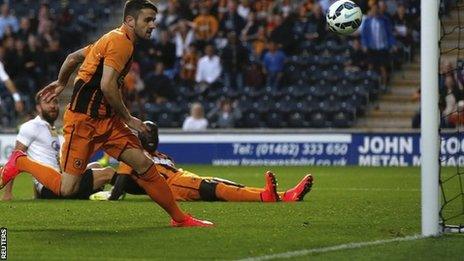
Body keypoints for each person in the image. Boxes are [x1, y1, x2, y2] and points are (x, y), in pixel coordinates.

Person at [0, 0, 212, 227]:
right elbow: (108, 85)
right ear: (130, 21)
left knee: (144, 164)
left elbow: (73, 57)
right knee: (67, 188)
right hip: (83, 121)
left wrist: (62, 83)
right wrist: (129, 119)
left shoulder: (111, 39)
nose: (153, 25)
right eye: (148, 19)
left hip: (106, 121)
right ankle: (21, 162)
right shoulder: (120, 43)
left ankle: (179, 219)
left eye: (154, 20)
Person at [90, 121, 314, 202]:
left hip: (183, 177)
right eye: (147, 133)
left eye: (154, 134)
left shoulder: (163, 157)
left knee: (220, 183)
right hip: (174, 185)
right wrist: (111, 196)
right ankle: (267, 196)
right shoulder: (133, 154)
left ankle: (284, 195)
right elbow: (123, 180)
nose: (151, 137)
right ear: (139, 137)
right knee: (216, 187)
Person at [1, 93, 114, 201]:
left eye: (55, 102)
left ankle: (89, 192)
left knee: (97, 165)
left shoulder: (51, 129)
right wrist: (7, 193)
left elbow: (43, 161)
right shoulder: (31, 127)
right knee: (107, 173)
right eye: (47, 102)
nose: (52, 106)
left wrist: (37, 195)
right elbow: (15, 159)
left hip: (57, 180)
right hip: (50, 186)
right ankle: (117, 189)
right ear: (38, 107)